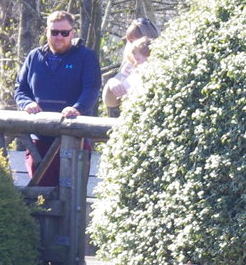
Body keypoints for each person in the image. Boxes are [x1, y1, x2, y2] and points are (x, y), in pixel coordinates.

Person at [14, 10, 102, 185]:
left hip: (75, 138)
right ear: (47, 32)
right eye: (54, 32)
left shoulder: (85, 57)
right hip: (38, 140)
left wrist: (77, 108)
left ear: (72, 33)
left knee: (71, 197)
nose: (59, 37)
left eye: (64, 32)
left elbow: (91, 89)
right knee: (38, 195)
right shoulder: (34, 57)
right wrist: (27, 103)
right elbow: (20, 89)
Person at [103, 17, 159, 114]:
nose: (133, 46)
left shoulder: (159, 64)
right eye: (131, 41)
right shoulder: (129, 65)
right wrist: (111, 84)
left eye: (138, 42)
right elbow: (110, 102)